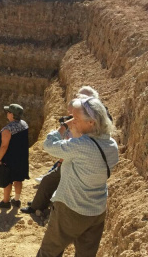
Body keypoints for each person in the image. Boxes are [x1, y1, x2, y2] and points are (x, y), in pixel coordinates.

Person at [37, 97, 118, 256]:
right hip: (97, 211)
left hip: (71, 209)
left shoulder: (81, 146)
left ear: (92, 123)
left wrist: (63, 126)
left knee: (49, 251)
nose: (73, 121)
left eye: (76, 118)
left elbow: (48, 145)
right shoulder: (112, 145)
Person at [0, 104, 29, 209]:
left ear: (12, 115)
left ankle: (6, 201)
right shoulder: (24, 124)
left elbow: (4, 146)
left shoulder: (7, 129)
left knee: (7, 179)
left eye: (8, 112)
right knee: (18, 178)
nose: (7, 113)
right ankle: (16, 200)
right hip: (21, 157)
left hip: (9, 159)